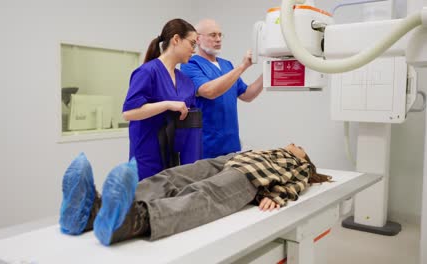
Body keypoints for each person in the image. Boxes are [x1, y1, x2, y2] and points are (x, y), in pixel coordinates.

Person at [59, 143, 332, 246]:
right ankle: (93, 211)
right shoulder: (267, 148)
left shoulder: (301, 166)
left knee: (204, 193)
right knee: (173, 176)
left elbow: (297, 184)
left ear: (304, 158)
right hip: (230, 159)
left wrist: (277, 194)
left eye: (299, 146)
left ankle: (132, 220)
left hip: (249, 178)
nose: (294, 144)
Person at [122, 18, 198, 181]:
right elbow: (129, 113)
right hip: (147, 159)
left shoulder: (186, 82)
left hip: (176, 161)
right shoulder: (147, 72)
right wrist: (167, 104)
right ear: (176, 39)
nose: (194, 50)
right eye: (192, 44)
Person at [180, 19, 264, 159]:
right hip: (206, 146)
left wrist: (268, 72)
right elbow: (209, 91)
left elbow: (247, 95)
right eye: (213, 35)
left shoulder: (227, 65)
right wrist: (242, 66)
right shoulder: (190, 65)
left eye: (220, 35)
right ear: (198, 39)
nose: (218, 39)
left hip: (231, 145)